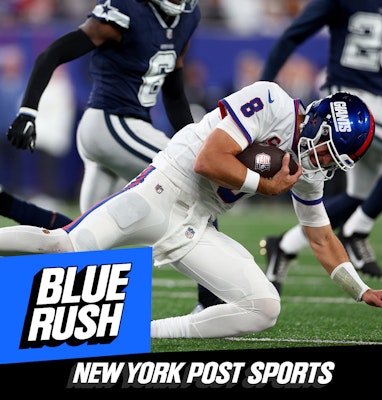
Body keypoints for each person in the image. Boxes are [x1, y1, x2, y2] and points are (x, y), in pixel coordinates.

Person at [1, 81, 382, 339]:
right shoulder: (273, 101)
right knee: (68, 248)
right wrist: (263, 184)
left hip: (195, 225)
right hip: (161, 191)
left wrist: (360, 290)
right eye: (328, 150)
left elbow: (320, 236)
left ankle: (142, 332)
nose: (324, 162)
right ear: (317, 120)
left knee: (263, 308)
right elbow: (207, 160)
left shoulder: (306, 169)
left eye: (335, 161)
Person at [5, 0, 223, 309]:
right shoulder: (127, 10)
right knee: (200, 182)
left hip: (121, 128)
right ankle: (211, 298)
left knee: (77, 241)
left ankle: (6, 207)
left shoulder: (188, 15)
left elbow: (173, 92)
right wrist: (28, 110)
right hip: (111, 122)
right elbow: (52, 53)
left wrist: (195, 140)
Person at [259, 0, 382, 293]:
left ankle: (284, 245)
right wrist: (261, 85)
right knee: (360, 199)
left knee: (359, 194)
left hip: (376, 104)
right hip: (345, 104)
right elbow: (293, 34)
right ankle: (357, 230)